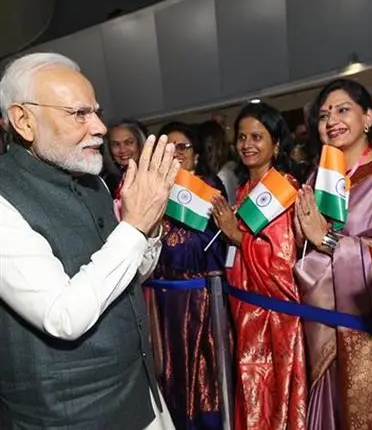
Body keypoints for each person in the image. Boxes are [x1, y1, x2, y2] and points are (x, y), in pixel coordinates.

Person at [0, 52, 180, 429]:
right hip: (73, 417)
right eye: (79, 114)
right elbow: (62, 315)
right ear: (23, 121)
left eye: (95, 111)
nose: (99, 126)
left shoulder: (91, 181)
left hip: (142, 395)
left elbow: (127, 276)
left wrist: (148, 227)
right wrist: (133, 226)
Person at [294, 78, 372, 430]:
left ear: (367, 118)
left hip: (363, 334)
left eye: (342, 110)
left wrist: (330, 241)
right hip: (319, 324)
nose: (331, 120)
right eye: (323, 115)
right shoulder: (317, 177)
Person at [211, 102, 307, 430]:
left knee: (272, 399)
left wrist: (237, 236)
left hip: (273, 317)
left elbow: (282, 264)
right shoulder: (244, 190)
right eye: (242, 137)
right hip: (246, 311)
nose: (247, 144)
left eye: (257, 136)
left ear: (276, 144)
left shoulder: (283, 188)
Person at [150, 122, 229, 429]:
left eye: (183, 147)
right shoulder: (154, 190)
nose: (176, 153)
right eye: (169, 147)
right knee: (170, 370)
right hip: (162, 300)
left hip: (200, 299)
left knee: (203, 373)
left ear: (196, 154)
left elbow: (211, 245)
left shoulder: (209, 188)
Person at [103, 119, 148, 198]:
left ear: (139, 144)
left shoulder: (152, 174)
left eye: (129, 142)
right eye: (116, 144)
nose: (122, 150)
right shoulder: (108, 181)